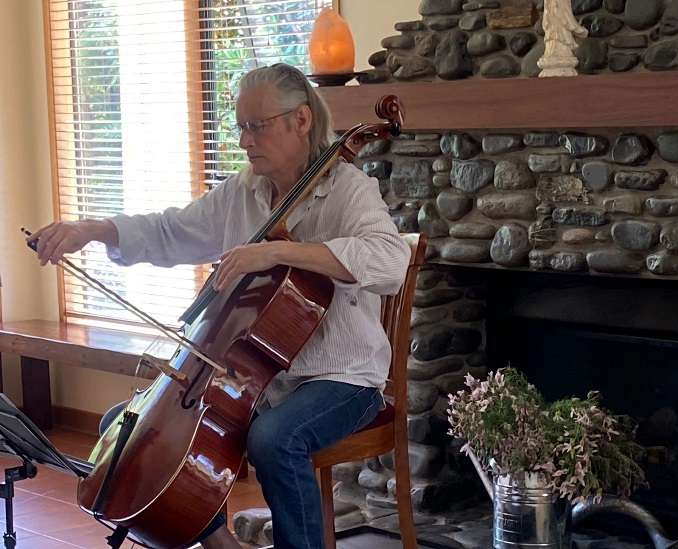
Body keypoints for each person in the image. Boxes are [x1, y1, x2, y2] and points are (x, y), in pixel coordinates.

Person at [28, 63, 410, 549]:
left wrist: (277, 250)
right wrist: (93, 229)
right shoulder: (241, 192)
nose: (246, 140)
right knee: (124, 430)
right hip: (260, 379)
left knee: (274, 440)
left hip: (342, 377)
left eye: (258, 126)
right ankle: (220, 545)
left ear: (301, 120)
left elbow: (390, 259)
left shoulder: (350, 190)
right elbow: (172, 230)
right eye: (241, 127)